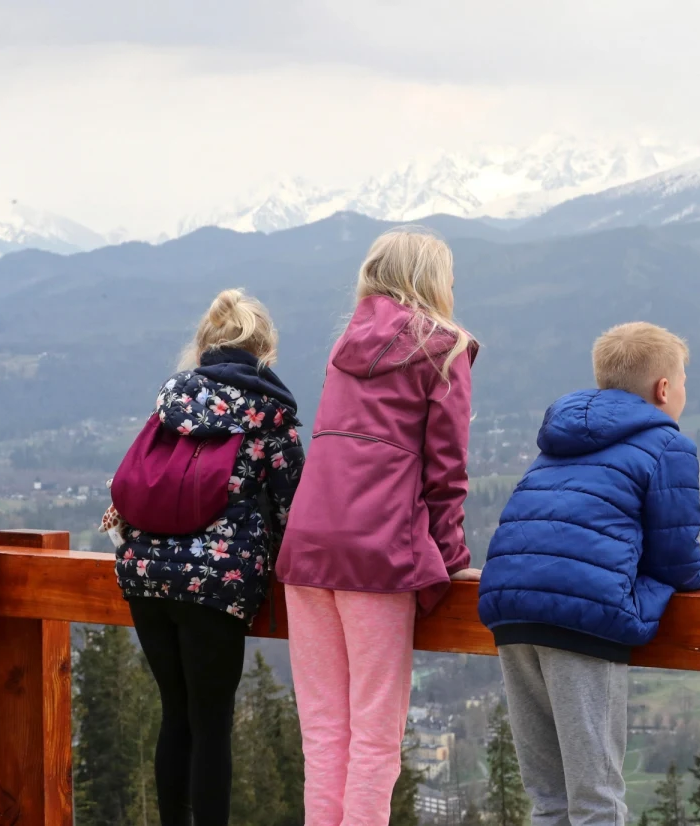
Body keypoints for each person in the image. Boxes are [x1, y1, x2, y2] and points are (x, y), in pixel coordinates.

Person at [276, 227, 479, 826]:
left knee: (323, 732)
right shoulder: (444, 349)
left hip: (306, 548)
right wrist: (450, 558)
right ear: (432, 280)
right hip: (378, 554)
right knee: (375, 736)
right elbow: (446, 470)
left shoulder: (343, 346)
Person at [478, 321, 700, 826]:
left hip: (510, 609)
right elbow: (677, 558)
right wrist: (696, 577)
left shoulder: (559, 439)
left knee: (550, 799)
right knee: (596, 800)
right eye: (683, 382)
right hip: (581, 618)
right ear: (664, 389)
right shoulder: (667, 445)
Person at [110, 288, 305, 826]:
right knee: (212, 725)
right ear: (264, 348)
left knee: (176, 715)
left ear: (205, 344)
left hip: (145, 573)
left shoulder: (172, 400)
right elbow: (293, 510)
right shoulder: (270, 414)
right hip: (216, 582)